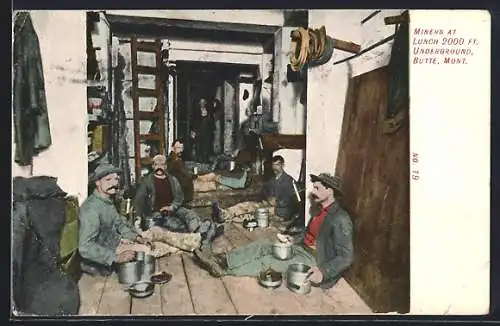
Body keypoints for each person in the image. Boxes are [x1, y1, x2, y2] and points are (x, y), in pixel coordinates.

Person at [195, 173, 354, 290]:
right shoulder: (321, 211)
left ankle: (224, 269)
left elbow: (347, 256)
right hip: (302, 249)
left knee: (269, 261)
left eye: (317, 188)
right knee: (265, 244)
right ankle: (223, 259)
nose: (313, 191)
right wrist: (293, 239)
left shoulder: (340, 219)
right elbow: (310, 235)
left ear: (330, 191)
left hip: (316, 261)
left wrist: (323, 272)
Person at [78, 163, 201, 276]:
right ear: (97, 183)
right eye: (108, 179)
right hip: (109, 250)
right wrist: (115, 258)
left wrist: (137, 238)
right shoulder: (91, 209)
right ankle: (197, 243)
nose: (114, 183)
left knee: (156, 232)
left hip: (118, 241)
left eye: (116, 179)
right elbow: (85, 247)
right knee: (151, 249)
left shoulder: (106, 201)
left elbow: (120, 225)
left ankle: (196, 238)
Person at [134, 154, 223, 249]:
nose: (159, 168)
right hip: (157, 214)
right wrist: (139, 219)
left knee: (190, 215)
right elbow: (138, 201)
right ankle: (204, 233)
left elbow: (179, 196)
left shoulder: (172, 179)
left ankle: (199, 230)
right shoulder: (146, 182)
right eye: (156, 165)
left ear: (165, 166)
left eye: (162, 165)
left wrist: (172, 207)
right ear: (153, 166)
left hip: (173, 208)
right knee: (176, 225)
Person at [211, 155, 297, 223]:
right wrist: (266, 198)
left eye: (277, 165)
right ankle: (223, 212)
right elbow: (264, 193)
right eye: (273, 165)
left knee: (253, 213)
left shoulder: (289, 181)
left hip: (280, 210)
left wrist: (277, 202)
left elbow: (291, 200)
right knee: (247, 205)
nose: (275, 167)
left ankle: (224, 216)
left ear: (283, 165)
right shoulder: (272, 180)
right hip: (268, 204)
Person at [167, 138, 250, 194]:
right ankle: (238, 184)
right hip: (186, 186)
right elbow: (186, 174)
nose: (180, 150)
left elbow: (186, 172)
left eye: (182, 148)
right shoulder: (174, 160)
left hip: (188, 180)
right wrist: (197, 176)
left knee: (213, 175)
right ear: (172, 148)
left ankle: (239, 183)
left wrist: (197, 175)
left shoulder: (177, 158)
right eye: (178, 148)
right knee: (213, 184)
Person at [190, 98, 215, 163]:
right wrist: (192, 131)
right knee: (198, 145)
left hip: (206, 131)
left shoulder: (209, 112)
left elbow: (212, 122)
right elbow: (192, 122)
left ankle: (205, 159)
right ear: (199, 103)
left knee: (206, 145)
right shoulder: (196, 112)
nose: (202, 104)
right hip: (198, 131)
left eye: (204, 102)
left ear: (206, 103)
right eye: (201, 102)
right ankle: (199, 159)